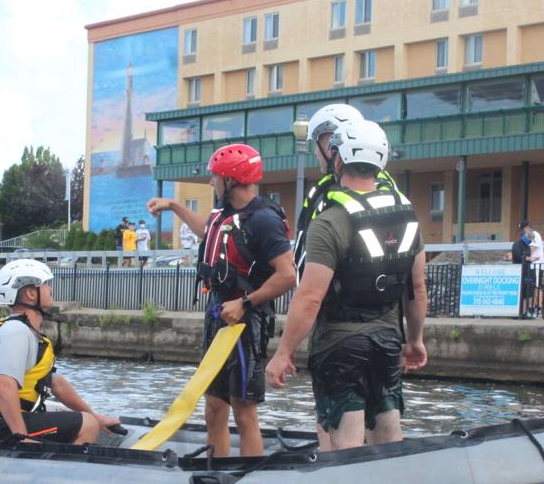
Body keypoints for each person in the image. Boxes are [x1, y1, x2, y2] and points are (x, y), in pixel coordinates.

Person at [265, 120, 427, 450]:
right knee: (388, 430)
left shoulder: (330, 221)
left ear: (337, 160)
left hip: (340, 344)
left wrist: (284, 352)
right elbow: (418, 287)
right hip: (387, 341)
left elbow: (310, 297)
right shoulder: (407, 215)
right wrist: (415, 340)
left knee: (345, 440)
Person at [146, 143, 295, 457]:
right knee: (213, 407)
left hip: (245, 324)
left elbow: (287, 275)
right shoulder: (225, 215)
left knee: (244, 410)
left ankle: (247, 479)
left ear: (232, 180)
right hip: (217, 319)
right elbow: (208, 231)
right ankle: (215, 472)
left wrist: (246, 303)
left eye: (215, 177)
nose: (211, 183)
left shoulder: (264, 220)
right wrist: (174, 205)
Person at [0, 258, 120, 444]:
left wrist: (95, 415)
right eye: (45, 284)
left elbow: (55, 383)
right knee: (87, 425)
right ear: (30, 294)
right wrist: (22, 437)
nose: (50, 289)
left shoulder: (25, 332)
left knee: (88, 419)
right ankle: (62, 470)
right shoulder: (16, 332)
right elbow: (5, 386)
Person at [293, 103, 400, 282]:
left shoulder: (328, 195)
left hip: (334, 302)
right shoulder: (390, 191)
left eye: (318, 142)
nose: (315, 153)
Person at [524, 221, 544, 317]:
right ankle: (531, 308)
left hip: (536, 265)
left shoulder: (535, 234)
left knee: (537, 287)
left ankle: (538, 308)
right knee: (530, 288)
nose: (523, 231)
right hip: (530, 266)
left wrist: (520, 253)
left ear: (528, 227)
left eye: (524, 229)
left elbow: (530, 249)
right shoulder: (526, 237)